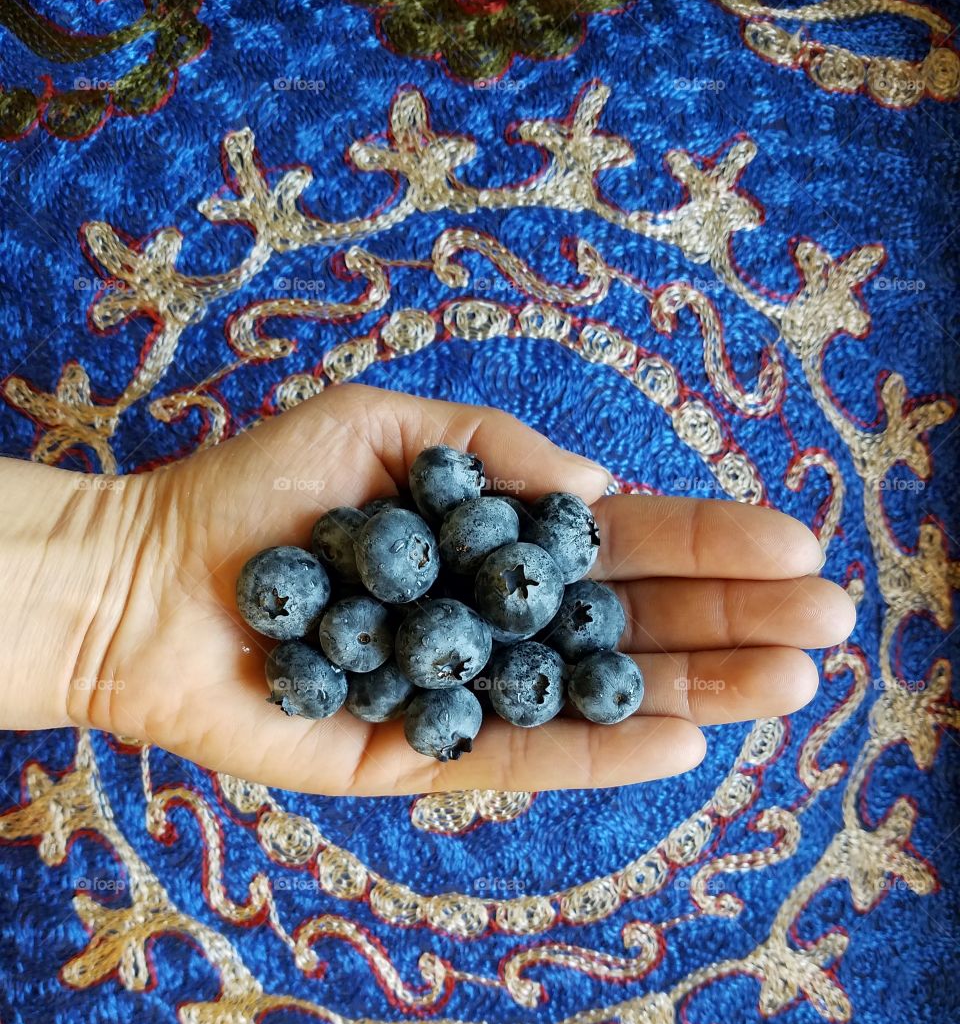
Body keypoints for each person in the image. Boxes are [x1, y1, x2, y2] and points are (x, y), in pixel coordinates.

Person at [0, 384, 854, 793]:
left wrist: (125, 564)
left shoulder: (509, 611)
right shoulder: (383, 595)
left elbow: (475, 625)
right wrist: (134, 556)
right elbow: (412, 618)